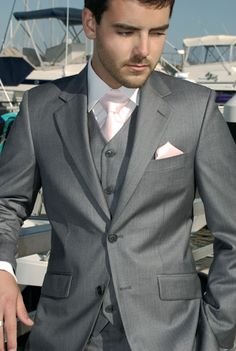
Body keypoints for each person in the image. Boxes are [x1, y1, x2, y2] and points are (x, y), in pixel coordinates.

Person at [0, 0, 236, 350]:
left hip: (172, 335)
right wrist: (3, 267)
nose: (144, 50)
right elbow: (7, 203)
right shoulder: (39, 108)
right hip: (64, 333)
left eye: (158, 33)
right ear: (91, 24)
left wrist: (216, 332)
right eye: (126, 32)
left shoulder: (196, 109)